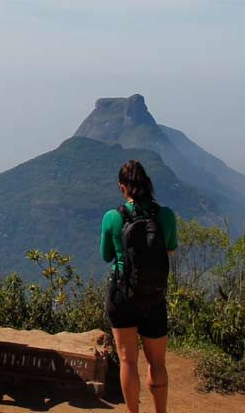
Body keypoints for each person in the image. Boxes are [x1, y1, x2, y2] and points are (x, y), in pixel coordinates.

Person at [100, 160, 178, 413]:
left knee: (128, 360)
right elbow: (170, 249)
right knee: (157, 362)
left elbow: (106, 255)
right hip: (154, 296)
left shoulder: (113, 217)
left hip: (122, 295)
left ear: (122, 187)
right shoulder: (166, 215)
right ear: (147, 184)